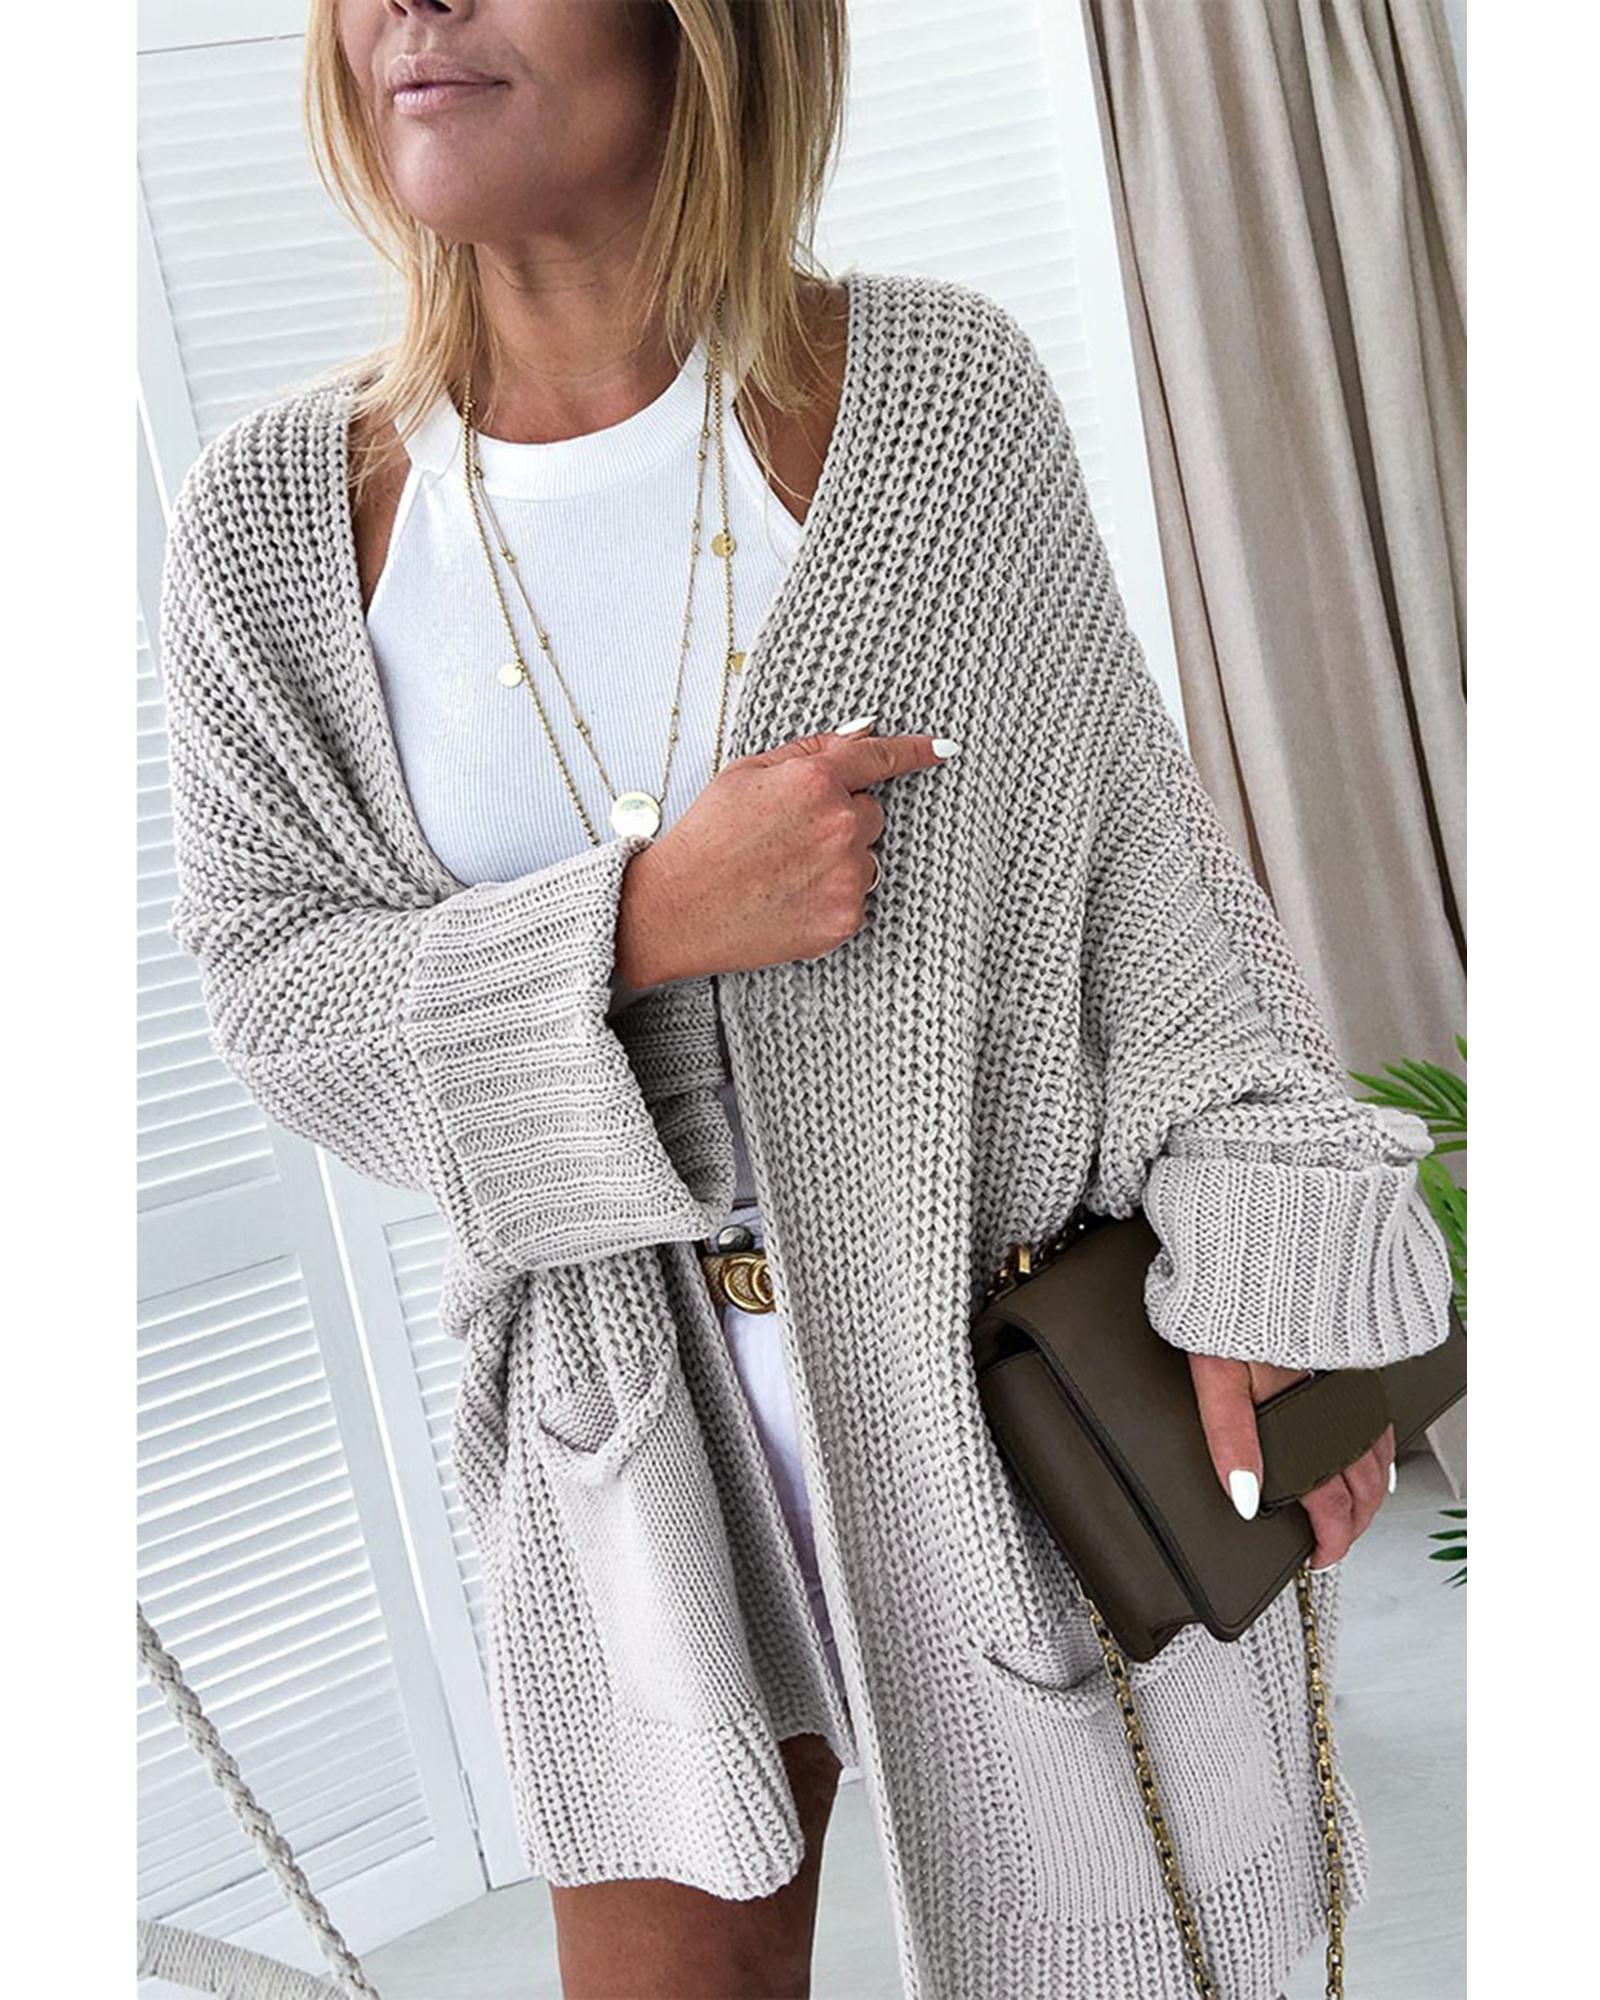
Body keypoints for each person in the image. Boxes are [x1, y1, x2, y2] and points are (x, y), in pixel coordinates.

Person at [157, 4, 1454, 1995]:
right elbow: (281, 999)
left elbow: (1156, 901)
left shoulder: (939, 402)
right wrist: (641, 921)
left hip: (1013, 1404)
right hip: (627, 1444)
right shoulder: (274, 522)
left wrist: (1278, 1277)